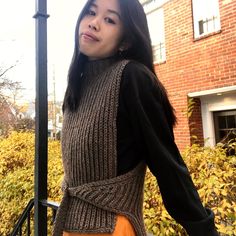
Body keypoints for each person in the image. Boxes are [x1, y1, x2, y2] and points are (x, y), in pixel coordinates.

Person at [53, 0, 219, 235]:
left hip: (111, 228)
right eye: (91, 12)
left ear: (126, 41)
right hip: (70, 225)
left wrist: (204, 229)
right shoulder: (78, 84)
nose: (94, 23)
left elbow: (167, 165)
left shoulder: (131, 77)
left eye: (109, 19)